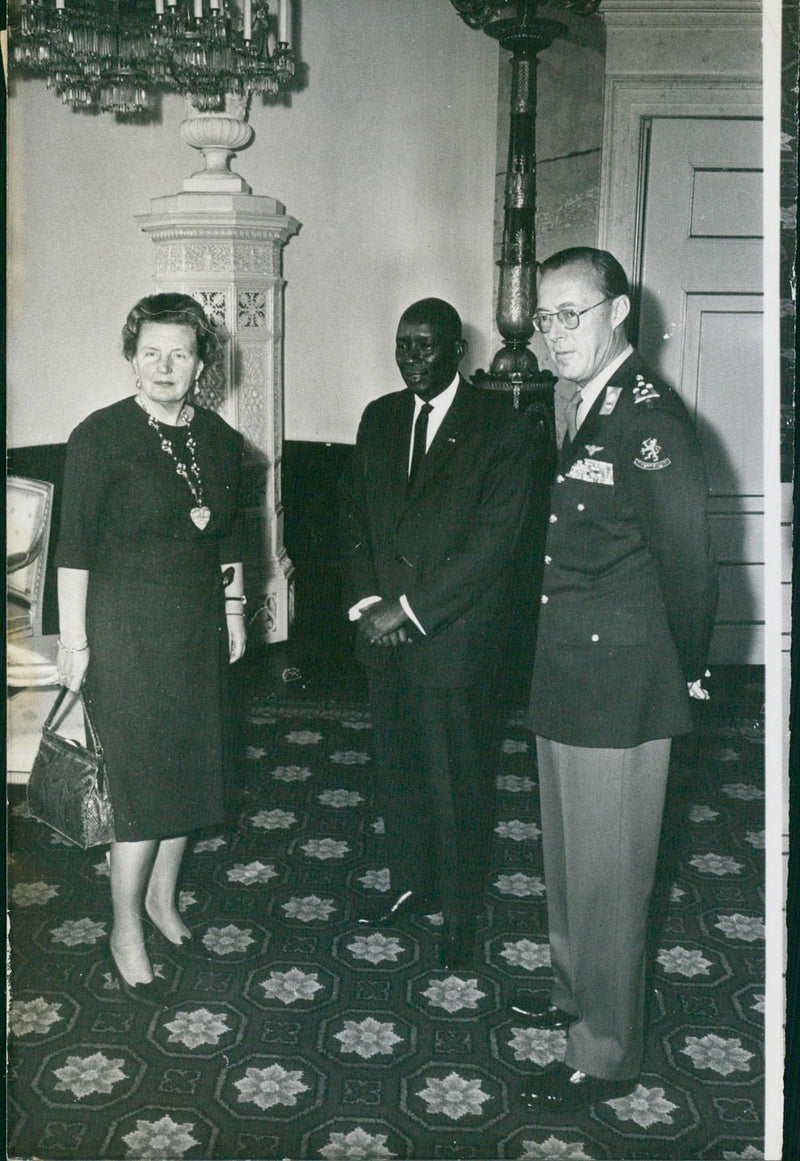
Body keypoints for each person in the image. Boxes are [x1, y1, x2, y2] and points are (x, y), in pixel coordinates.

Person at [513, 247, 718, 1108]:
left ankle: (604, 1047)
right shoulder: (577, 402)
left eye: (573, 314)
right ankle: (575, 994)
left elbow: (691, 570)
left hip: (623, 683)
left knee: (610, 873)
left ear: (619, 311)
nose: (555, 334)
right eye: (545, 316)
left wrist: (688, 672)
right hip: (565, 669)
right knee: (567, 860)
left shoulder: (650, 420)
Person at [55, 293, 247, 1002]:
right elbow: (71, 552)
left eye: (182, 353)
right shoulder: (98, 437)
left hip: (195, 630)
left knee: (194, 772)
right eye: (152, 352)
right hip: (125, 632)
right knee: (141, 788)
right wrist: (75, 642)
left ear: (203, 363)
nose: (167, 366)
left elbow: (228, 534)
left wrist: (234, 611)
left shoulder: (221, 439)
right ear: (131, 356)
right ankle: (124, 926)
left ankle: (164, 901)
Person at [339, 297, 536, 970]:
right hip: (383, 634)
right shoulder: (379, 417)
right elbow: (357, 516)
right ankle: (411, 884)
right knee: (398, 771)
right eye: (403, 344)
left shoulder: (503, 427)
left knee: (458, 780)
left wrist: (411, 610)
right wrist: (370, 601)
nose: (411, 357)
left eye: (426, 345)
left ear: (458, 351)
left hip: (449, 636)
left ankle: (460, 910)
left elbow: (493, 546)